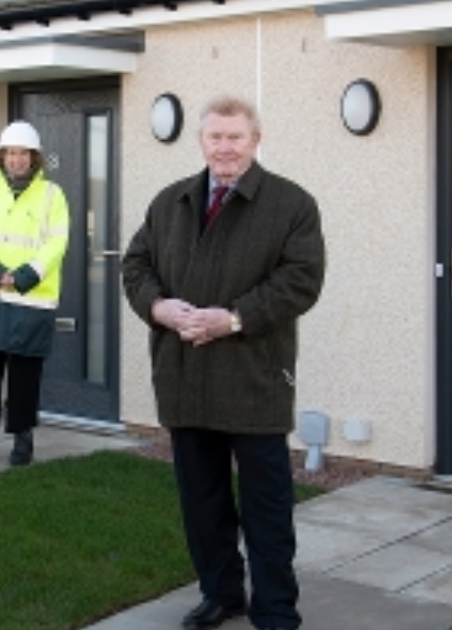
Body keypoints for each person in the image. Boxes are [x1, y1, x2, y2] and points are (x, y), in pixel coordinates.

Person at [121, 95, 325, 630]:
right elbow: (135, 265)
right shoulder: (171, 203)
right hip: (184, 376)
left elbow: (301, 282)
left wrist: (232, 319)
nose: (225, 147)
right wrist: (159, 308)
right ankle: (222, 593)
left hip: (254, 378)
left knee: (267, 508)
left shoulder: (291, 205)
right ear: (202, 142)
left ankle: (276, 608)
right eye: (215, 137)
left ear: (256, 140)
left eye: (236, 137)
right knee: (203, 504)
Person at [0, 120, 70, 467]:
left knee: (25, 373)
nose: (16, 160)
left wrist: (23, 276)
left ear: (34, 158)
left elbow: (56, 242)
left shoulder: (52, 195)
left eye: (23, 153)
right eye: (10, 153)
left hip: (30, 297)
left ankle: (23, 440)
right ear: (1, 157)